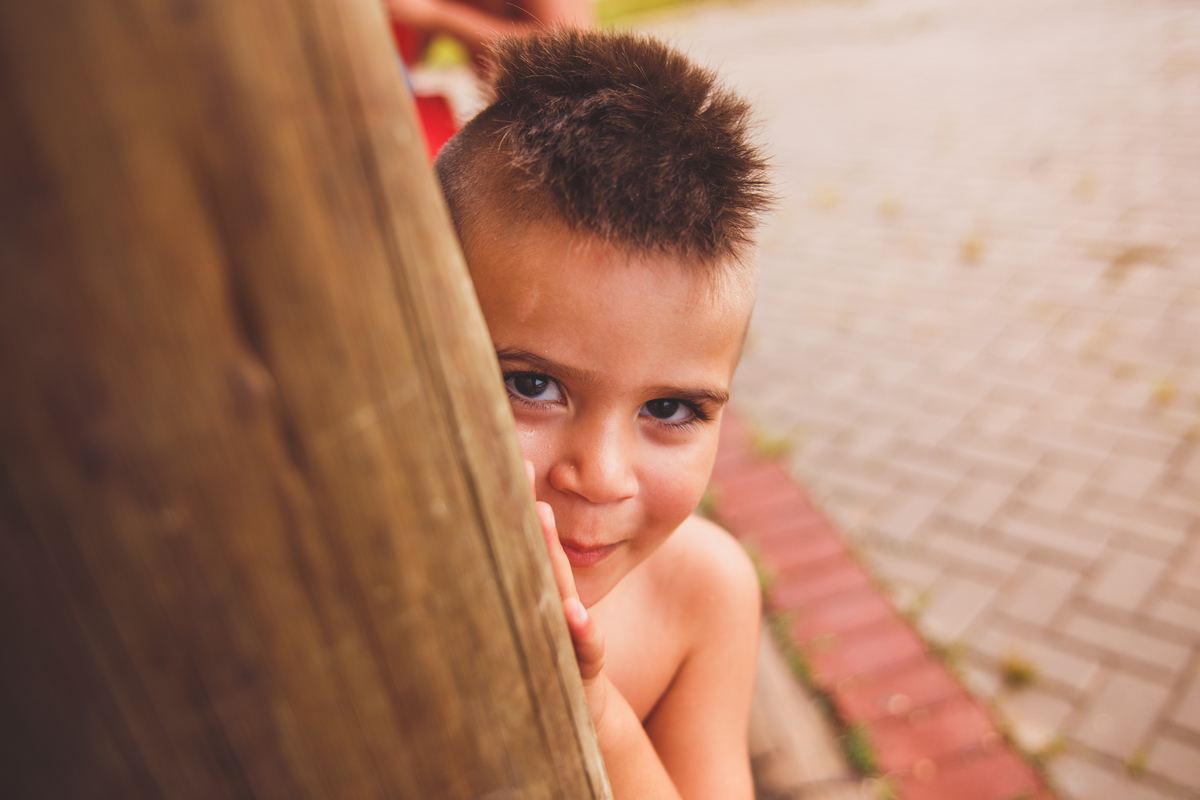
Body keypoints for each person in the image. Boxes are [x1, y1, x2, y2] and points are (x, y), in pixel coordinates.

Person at [434, 29, 772, 799]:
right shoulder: (352, 574)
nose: (600, 476)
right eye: (531, 386)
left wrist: (589, 709)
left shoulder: (704, 595)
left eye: (669, 407)